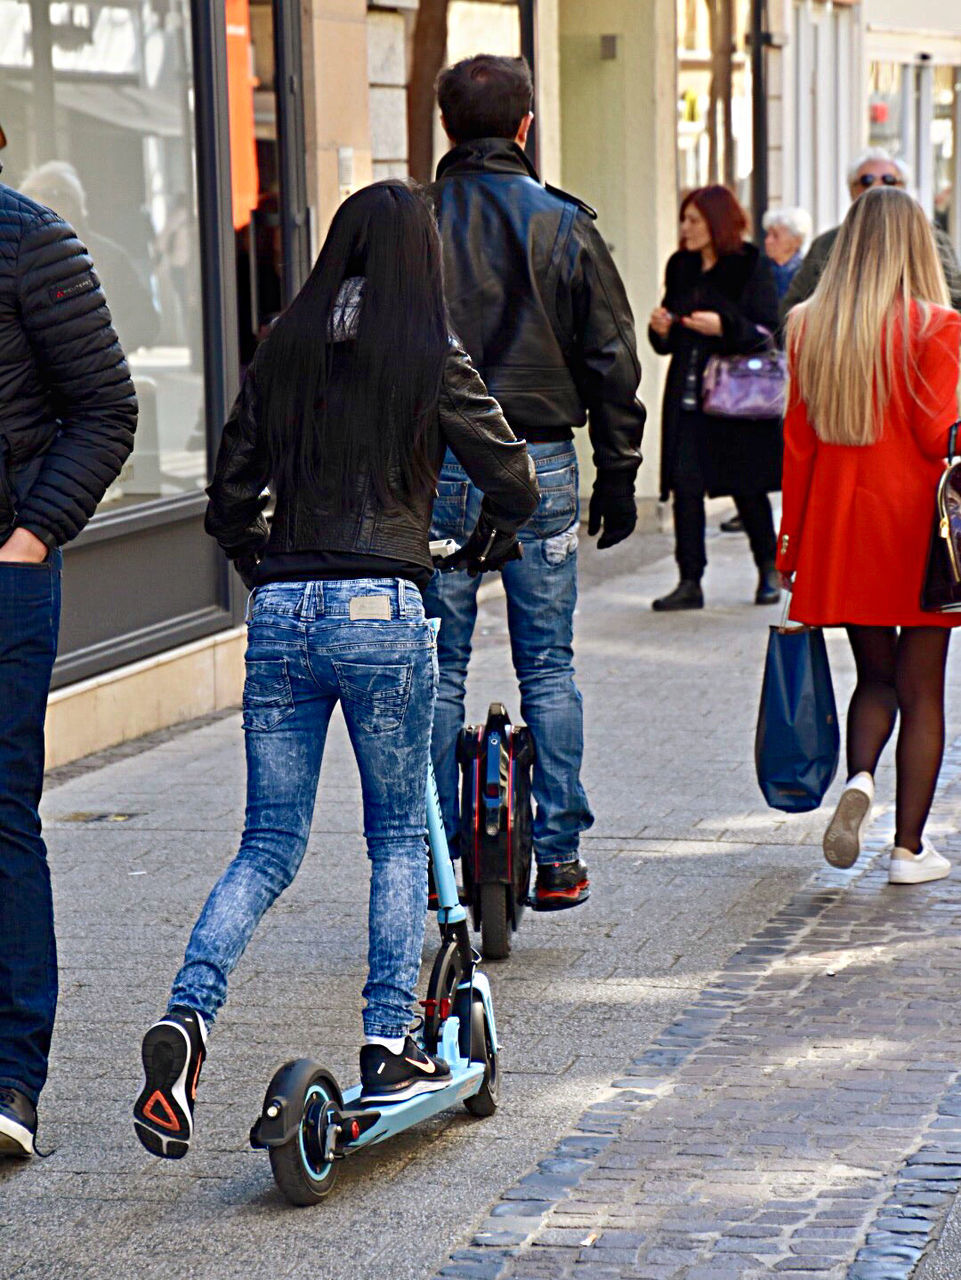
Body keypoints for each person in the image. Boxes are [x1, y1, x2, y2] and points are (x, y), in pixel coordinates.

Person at [132, 181, 538, 1158]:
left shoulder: (283, 343)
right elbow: (513, 480)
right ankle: (389, 1042)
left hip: (282, 609)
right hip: (383, 606)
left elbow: (230, 497)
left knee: (267, 846)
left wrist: (270, 575)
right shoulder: (427, 351)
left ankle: (187, 1024)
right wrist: (478, 540)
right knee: (398, 834)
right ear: (420, 260)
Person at [425, 55, 646, 911]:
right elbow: (611, 360)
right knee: (547, 664)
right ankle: (557, 858)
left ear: (447, 129)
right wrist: (619, 474)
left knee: (440, 667)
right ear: (524, 127)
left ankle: (438, 864)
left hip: (436, 462)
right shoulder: (561, 224)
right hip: (538, 456)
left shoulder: (411, 223)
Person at [0, 168, 137, 1156]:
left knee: (0, 809)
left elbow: (107, 407)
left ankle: (12, 1077)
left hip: (4, 569)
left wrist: (33, 532)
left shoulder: (29, 240)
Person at [778, 186, 961, 885]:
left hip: (839, 530)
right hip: (918, 535)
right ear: (918, 246)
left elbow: (795, 448)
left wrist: (789, 547)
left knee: (873, 677)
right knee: (924, 689)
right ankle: (909, 850)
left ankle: (859, 777)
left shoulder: (807, 326)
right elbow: (931, 435)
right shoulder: (935, 326)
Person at [648, 185, 782, 610]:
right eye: (684, 220)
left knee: (747, 486)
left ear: (716, 222)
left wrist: (722, 327)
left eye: (694, 220)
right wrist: (661, 329)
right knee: (686, 488)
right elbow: (665, 339)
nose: (685, 228)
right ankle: (690, 580)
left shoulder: (749, 264)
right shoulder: (681, 265)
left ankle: (768, 569)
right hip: (687, 394)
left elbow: (766, 332)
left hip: (734, 400)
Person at [780, 147, 961, 320]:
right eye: (867, 180)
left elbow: (956, 298)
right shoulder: (826, 244)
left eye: (889, 179)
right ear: (852, 190)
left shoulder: (933, 240)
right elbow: (792, 309)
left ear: (903, 188)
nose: (878, 186)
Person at [19, 161, 161, 355]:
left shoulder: (109, 258)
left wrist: (101, 345)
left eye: (52, 194)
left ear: (74, 204)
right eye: (27, 194)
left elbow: (146, 320)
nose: (36, 201)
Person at [763, 206, 812, 301]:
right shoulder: (760, 270)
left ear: (797, 241)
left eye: (775, 235)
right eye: (768, 235)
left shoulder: (807, 272)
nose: (768, 241)